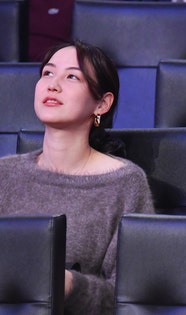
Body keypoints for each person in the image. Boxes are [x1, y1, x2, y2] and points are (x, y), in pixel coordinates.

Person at [0, 40, 155, 314]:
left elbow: (131, 296)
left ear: (102, 103)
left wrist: (69, 284)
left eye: (71, 76)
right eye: (48, 73)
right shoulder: (5, 173)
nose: (53, 84)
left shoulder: (125, 183)